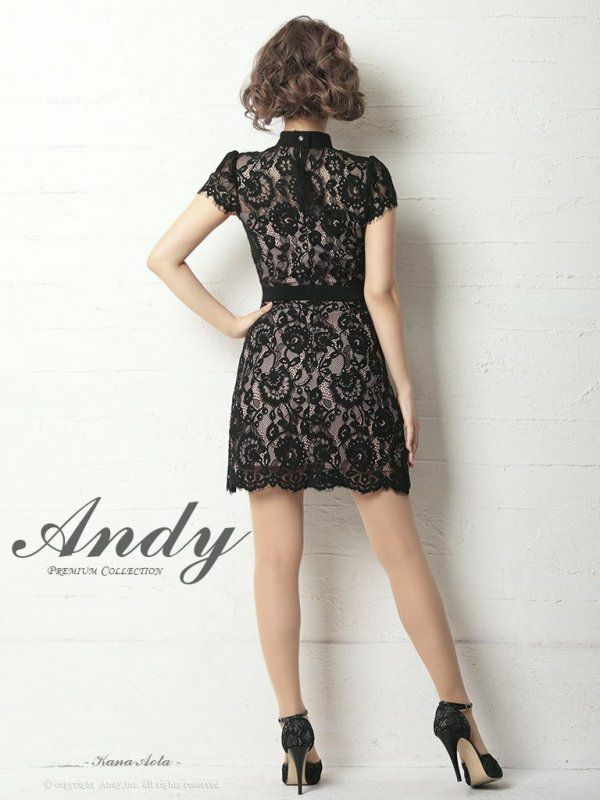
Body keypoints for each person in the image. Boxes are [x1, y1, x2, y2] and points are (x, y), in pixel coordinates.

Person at [146, 14, 503, 793]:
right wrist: (404, 386)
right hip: (352, 370)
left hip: (271, 374)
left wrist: (234, 323)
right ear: (335, 85)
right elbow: (381, 293)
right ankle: (458, 720)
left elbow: (163, 257)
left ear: (269, 87)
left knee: (277, 560)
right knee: (403, 553)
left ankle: (294, 735)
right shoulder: (368, 177)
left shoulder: (242, 173)